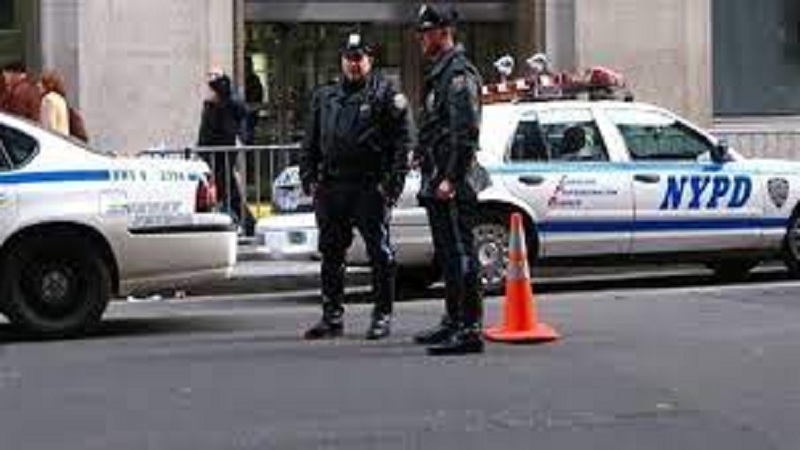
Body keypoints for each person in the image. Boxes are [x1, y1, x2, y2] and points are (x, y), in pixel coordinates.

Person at [299, 31, 414, 340]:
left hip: (369, 185)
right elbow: (310, 140)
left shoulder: (385, 95)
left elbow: (403, 144)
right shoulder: (325, 96)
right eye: (349, 59)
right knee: (331, 254)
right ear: (342, 61)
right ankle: (332, 317)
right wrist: (308, 177)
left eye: (359, 59)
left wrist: (392, 186)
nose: (353, 64)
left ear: (369, 61)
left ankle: (382, 316)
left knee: (379, 253)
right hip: (332, 186)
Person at [413, 3, 485, 355]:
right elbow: (436, 124)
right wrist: (419, 152)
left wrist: (452, 178)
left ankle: (470, 328)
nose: (422, 40)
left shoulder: (458, 73)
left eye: (426, 33)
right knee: (448, 254)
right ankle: (454, 319)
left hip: (453, 179)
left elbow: (466, 131)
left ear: (444, 32)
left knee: (461, 253)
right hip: (437, 174)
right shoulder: (441, 72)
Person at [197, 71, 256, 236]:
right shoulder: (213, 106)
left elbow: (239, 115)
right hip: (211, 154)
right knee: (225, 193)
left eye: (211, 88)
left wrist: (220, 79)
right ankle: (246, 225)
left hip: (220, 155)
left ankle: (248, 226)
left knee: (226, 193)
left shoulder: (227, 105)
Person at [39, 70, 70, 136]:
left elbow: (48, 126)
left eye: (42, 83)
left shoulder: (48, 100)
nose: (38, 85)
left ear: (48, 85)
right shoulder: (61, 99)